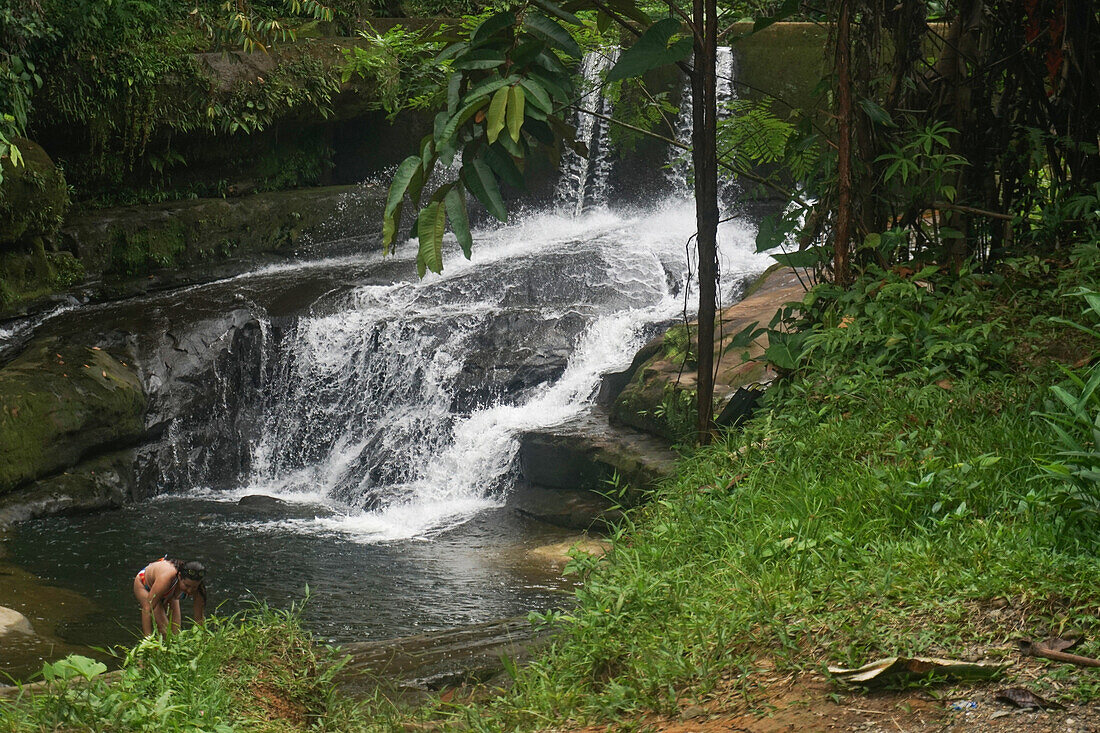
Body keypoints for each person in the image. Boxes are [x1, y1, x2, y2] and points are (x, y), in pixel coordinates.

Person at [132, 557, 207, 636]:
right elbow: (147, 609)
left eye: (194, 587)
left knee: (176, 632)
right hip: (145, 584)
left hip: (170, 591)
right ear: (179, 576)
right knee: (165, 629)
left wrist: (202, 641)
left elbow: (199, 620)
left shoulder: (199, 589)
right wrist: (148, 639)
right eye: (187, 585)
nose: (189, 590)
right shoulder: (166, 578)